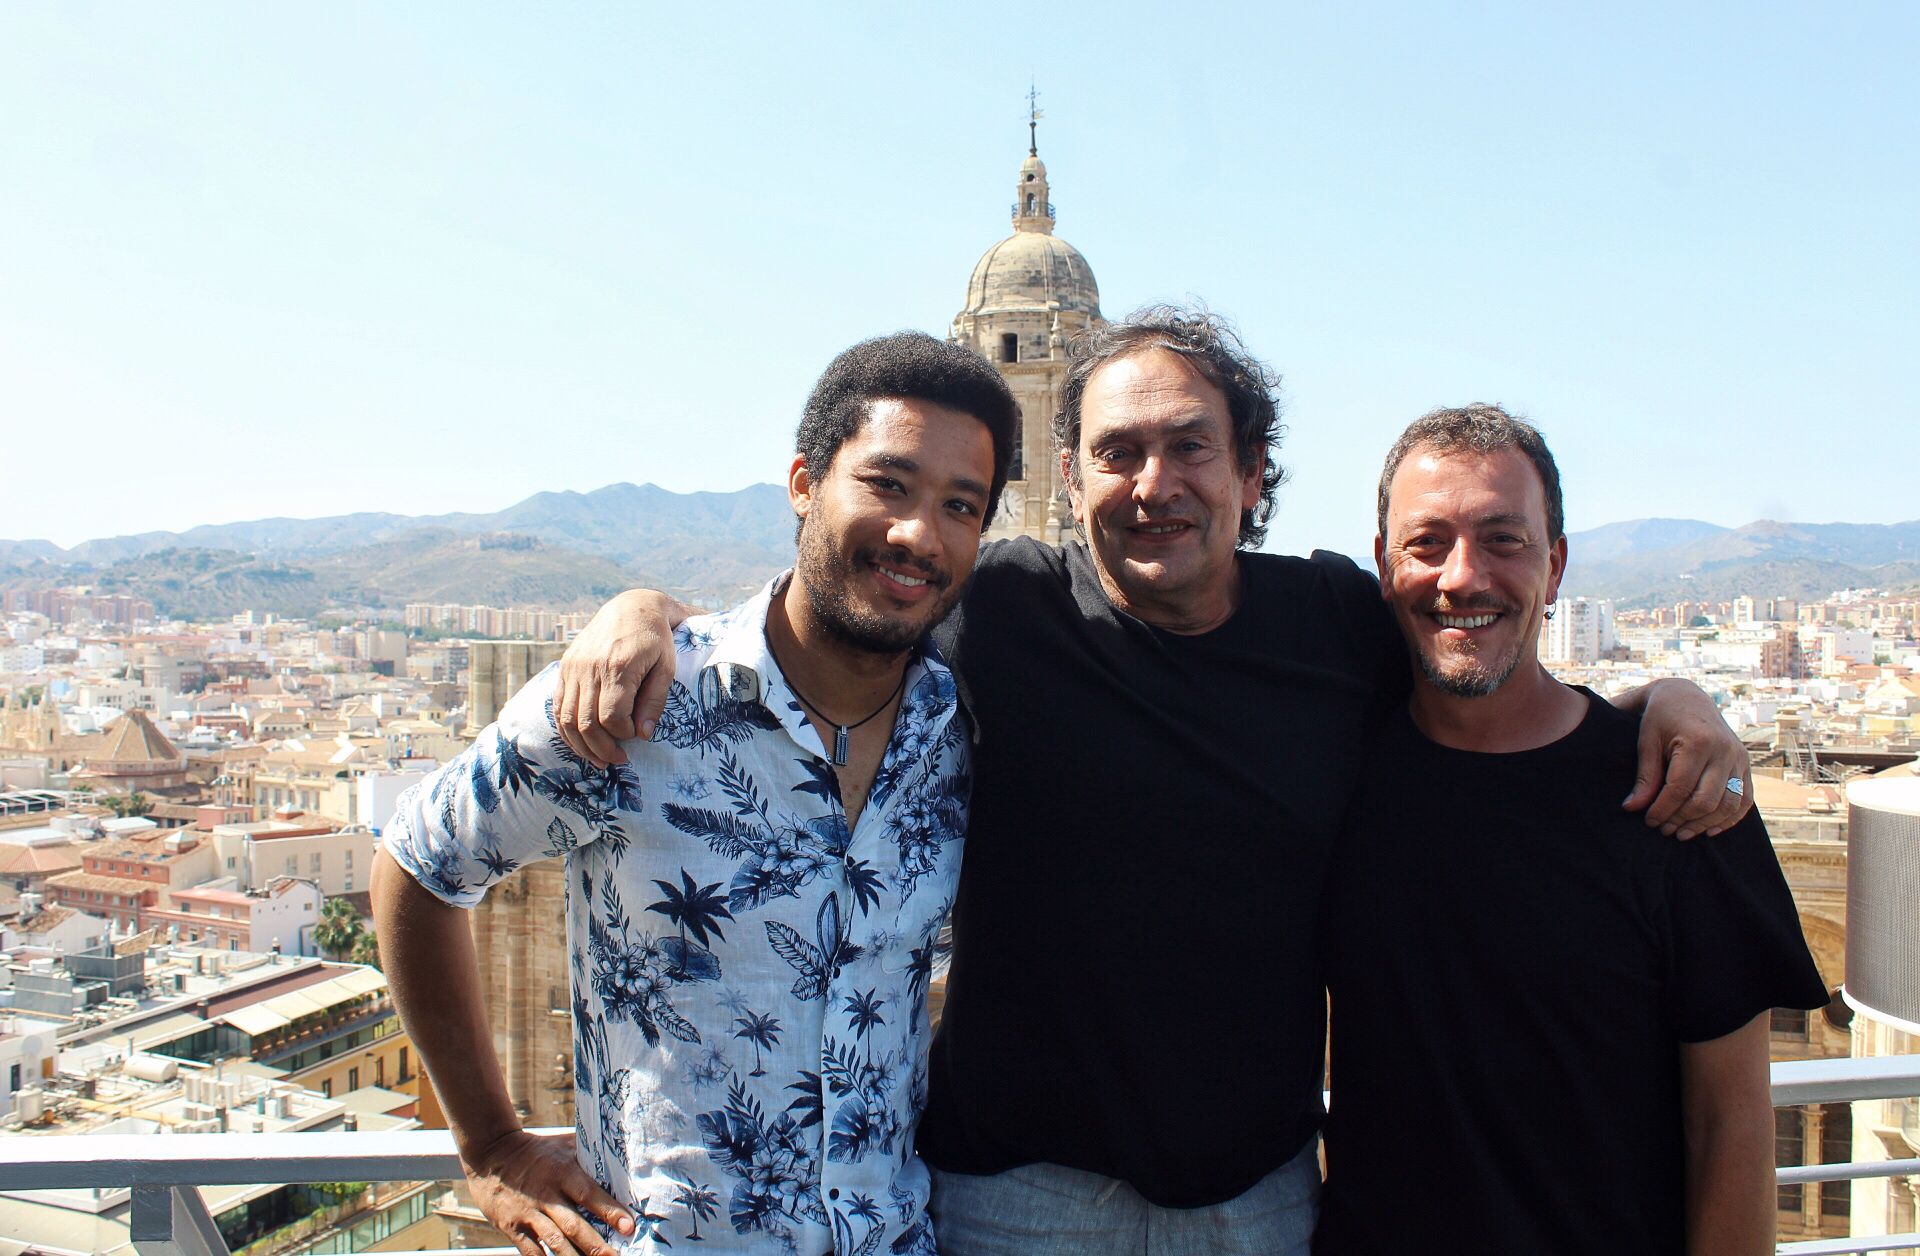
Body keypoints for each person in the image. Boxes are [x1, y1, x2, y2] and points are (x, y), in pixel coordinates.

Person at [555, 307, 1755, 1253]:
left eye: (1192, 446)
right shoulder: (1001, 603)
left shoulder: (1334, 616)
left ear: (1251, 472)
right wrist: (643, 613)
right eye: (1118, 451)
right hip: (1015, 1195)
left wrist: (1671, 702)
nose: (1155, 481)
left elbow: (1481, 650)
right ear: (1070, 475)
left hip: (1259, 1196)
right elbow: (835, 596)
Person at [370, 331, 1019, 1256]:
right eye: (888, 484)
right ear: (804, 483)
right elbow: (419, 860)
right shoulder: (638, 703)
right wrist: (491, 1146)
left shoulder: (961, 731)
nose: (920, 532)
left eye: (961, 505)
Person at [1317, 405, 1825, 1255]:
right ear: (1383, 566)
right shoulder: (1332, 769)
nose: (1462, 577)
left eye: (1504, 540)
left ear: (1554, 568)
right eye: (1427, 542)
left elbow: (1730, 1126)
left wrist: (1675, 697)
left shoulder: (1679, 801)